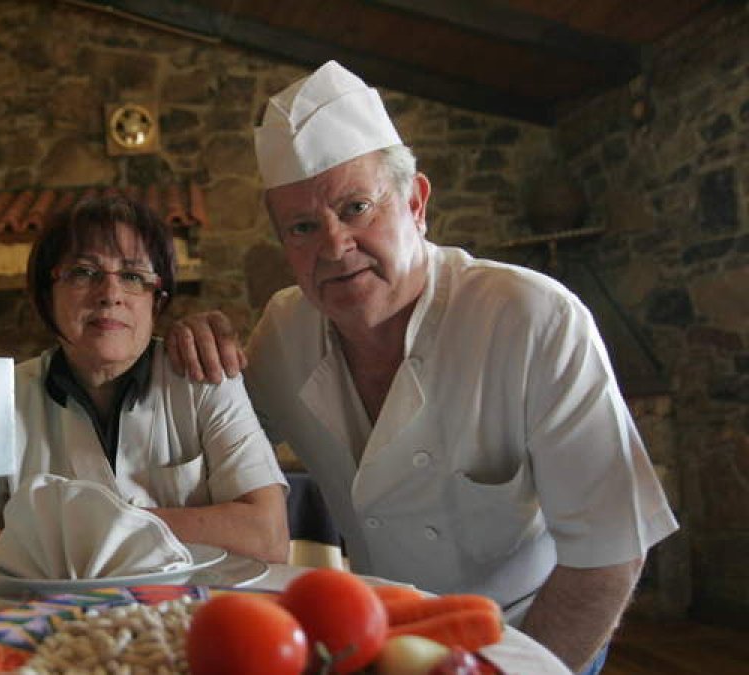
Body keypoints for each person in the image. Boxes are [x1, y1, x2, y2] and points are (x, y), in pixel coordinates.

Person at [167, 61, 678, 673]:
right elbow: (211, 451)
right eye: (302, 227)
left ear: (416, 203)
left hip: (531, 630)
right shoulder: (282, 332)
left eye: (356, 207)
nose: (334, 246)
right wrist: (193, 346)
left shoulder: (533, 318)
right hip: (382, 638)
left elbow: (609, 552)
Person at [0, 195, 290, 571]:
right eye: (83, 272)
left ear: (156, 300)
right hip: (47, 607)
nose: (110, 295)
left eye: (132, 276)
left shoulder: (204, 380)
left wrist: (58, 538)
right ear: (46, 296)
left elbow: (268, 535)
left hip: (189, 601)